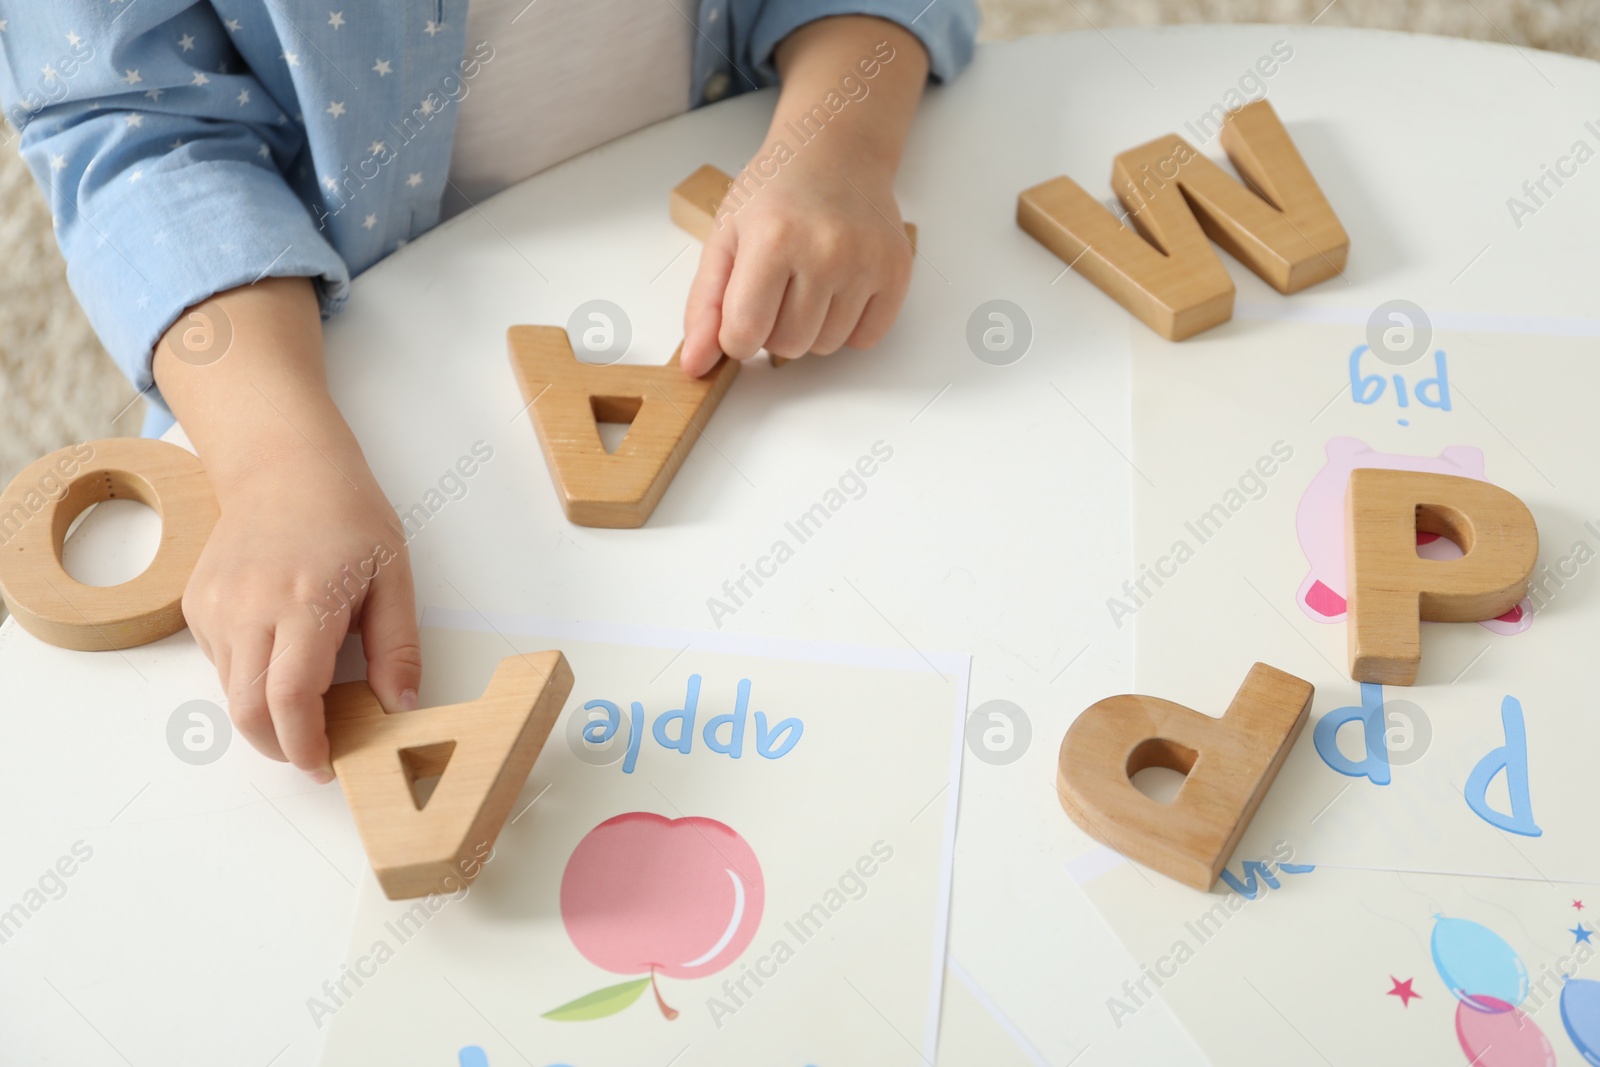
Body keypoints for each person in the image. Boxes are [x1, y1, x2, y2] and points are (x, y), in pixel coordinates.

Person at [0, 1, 978, 781]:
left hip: (714, 184)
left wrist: (837, 136)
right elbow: (132, 126)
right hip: (297, 349)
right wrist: (275, 465)